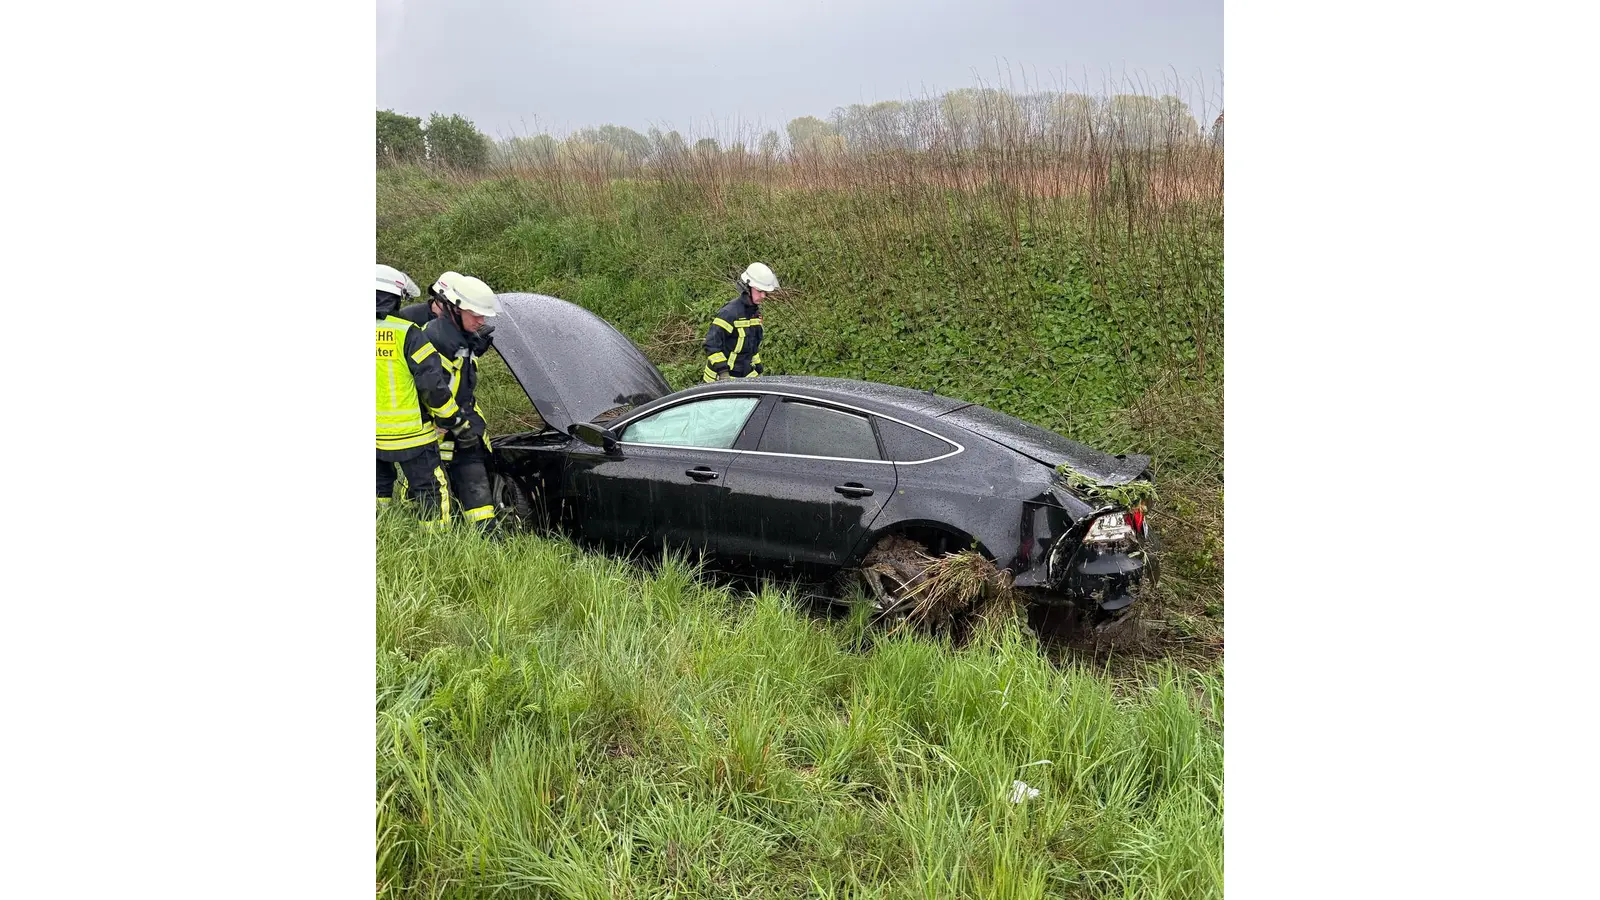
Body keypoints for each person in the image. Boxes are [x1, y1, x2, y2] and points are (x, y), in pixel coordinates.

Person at [376, 264, 466, 525]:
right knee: (431, 489)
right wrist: (448, 418)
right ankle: (436, 544)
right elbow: (432, 385)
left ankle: (381, 531)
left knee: (378, 488)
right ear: (393, 298)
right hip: (410, 434)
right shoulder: (407, 333)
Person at [422, 271, 502, 534]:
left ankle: (488, 540)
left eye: (483, 315)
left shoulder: (459, 337)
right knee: (436, 505)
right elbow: (435, 393)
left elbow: (462, 382)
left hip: (467, 432)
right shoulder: (433, 340)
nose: (481, 321)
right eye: (475, 314)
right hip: (442, 437)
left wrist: (473, 347)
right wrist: (456, 425)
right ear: (455, 309)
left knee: (481, 507)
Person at [703, 262, 778, 383]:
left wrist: (758, 367)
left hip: (743, 377)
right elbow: (711, 343)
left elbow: (751, 347)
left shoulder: (755, 315)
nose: (763, 295)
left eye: (765, 292)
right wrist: (723, 372)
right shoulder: (729, 313)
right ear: (747, 288)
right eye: (759, 291)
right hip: (718, 379)